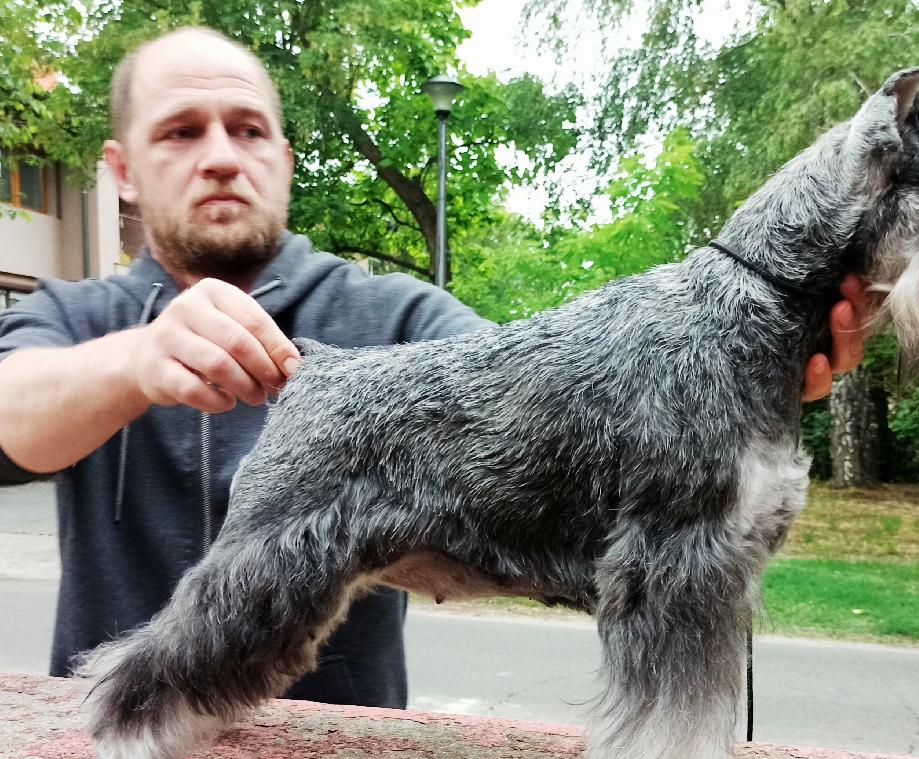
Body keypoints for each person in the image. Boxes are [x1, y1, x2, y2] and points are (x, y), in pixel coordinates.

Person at [0, 27, 868, 709]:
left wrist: (733, 366)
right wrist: (136, 359)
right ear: (120, 170)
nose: (222, 154)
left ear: (285, 157)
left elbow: (551, 397)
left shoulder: (394, 316)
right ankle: (139, 703)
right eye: (182, 131)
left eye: (249, 128)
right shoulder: (71, 317)